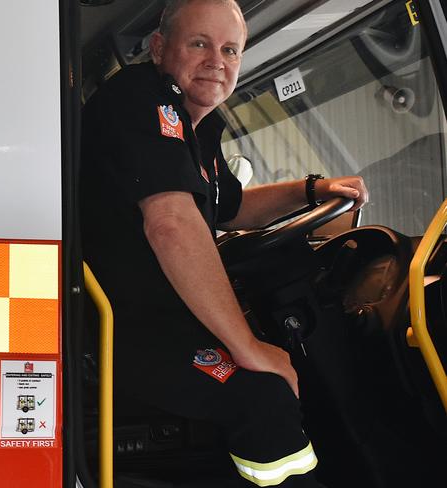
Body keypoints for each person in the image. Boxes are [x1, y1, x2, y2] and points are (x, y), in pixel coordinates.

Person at [80, 0, 368, 486]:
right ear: (158, 48)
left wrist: (311, 190)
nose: (217, 60)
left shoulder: (199, 125)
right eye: (199, 43)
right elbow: (171, 222)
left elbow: (228, 205)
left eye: (230, 49)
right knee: (261, 396)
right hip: (126, 333)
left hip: (160, 325)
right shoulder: (141, 98)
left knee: (288, 372)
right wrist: (247, 347)